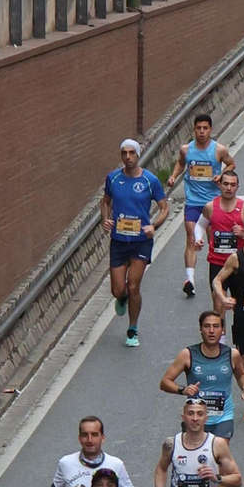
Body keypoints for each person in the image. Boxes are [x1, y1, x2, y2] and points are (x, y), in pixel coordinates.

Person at [101, 137, 169, 347]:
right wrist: (105, 219)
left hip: (140, 241)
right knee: (118, 290)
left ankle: (132, 329)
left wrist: (154, 226)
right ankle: (121, 298)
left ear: (138, 155)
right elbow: (105, 201)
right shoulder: (113, 179)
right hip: (119, 241)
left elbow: (164, 207)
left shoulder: (150, 180)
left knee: (133, 286)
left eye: (132, 153)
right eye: (124, 153)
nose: (128, 157)